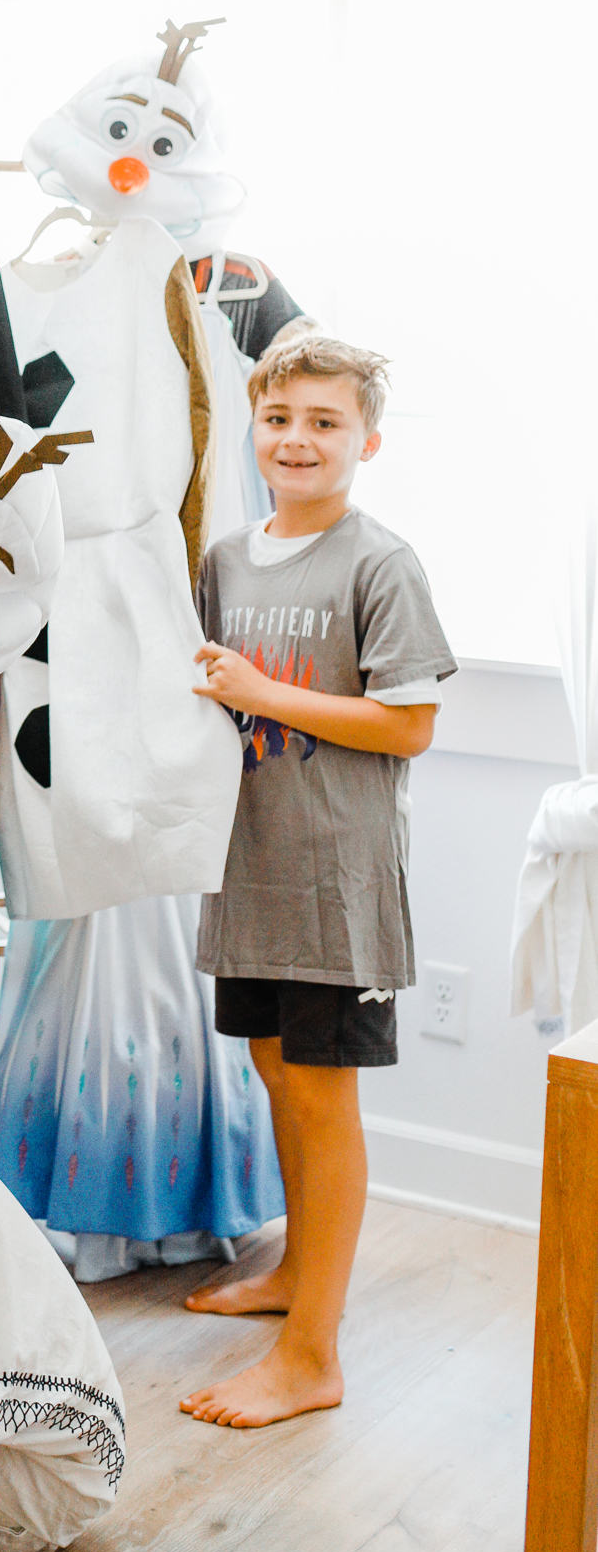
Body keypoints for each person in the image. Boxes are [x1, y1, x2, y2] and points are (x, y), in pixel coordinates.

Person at [180, 333, 455, 1428]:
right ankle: (297, 1276)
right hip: (245, 869)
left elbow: (408, 722)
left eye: (323, 422)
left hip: (334, 881)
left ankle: (312, 1357)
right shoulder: (226, 559)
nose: (296, 438)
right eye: (279, 417)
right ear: (252, 428)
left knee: (319, 1096)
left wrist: (258, 689)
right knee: (270, 1072)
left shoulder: (377, 562)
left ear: (365, 441)